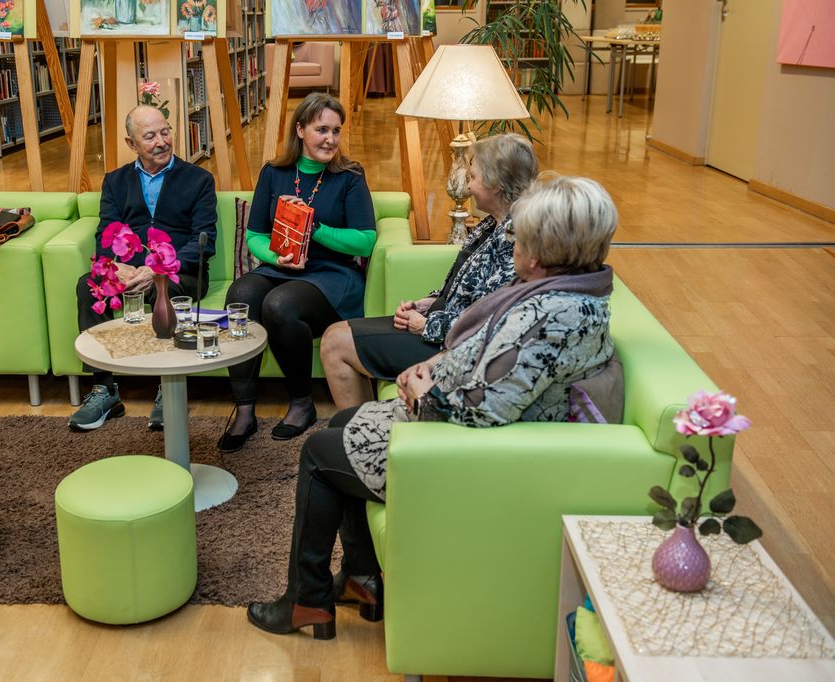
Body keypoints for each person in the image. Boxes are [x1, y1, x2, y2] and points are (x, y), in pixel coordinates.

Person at [246, 175, 622, 639]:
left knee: (319, 453)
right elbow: (493, 361)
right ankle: (361, 579)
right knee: (342, 422)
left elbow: (486, 411)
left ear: (541, 252)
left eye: (520, 238)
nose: (513, 245)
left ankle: (306, 600)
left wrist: (424, 391)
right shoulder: (567, 294)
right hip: (465, 431)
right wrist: (435, 365)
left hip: (465, 453)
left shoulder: (550, 316)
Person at [320, 133, 538, 410]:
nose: (468, 186)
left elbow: (489, 323)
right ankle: (360, 424)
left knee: (335, 342)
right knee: (337, 333)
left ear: (496, 184)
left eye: (473, 177)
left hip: (452, 346)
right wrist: (428, 302)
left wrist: (426, 325)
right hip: (439, 325)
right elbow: (464, 287)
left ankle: (355, 430)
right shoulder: (490, 225)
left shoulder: (517, 240)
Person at [218, 93, 376, 453]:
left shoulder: (349, 176)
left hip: (332, 274)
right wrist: (278, 257)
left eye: (336, 131)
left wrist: (313, 226)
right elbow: (255, 235)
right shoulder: (274, 173)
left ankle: (302, 402)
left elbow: (365, 241)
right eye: (322, 130)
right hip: (282, 267)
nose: (330, 139)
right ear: (300, 130)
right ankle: (244, 410)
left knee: (279, 303)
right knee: (240, 295)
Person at [69, 105, 217, 432]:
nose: (161, 141)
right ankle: (104, 388)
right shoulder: (116, 181)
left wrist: (156, 271)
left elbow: (204, 241)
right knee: (87, 285)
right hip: (129, 269)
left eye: (165, 132)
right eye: (150, 136)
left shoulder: (199, 180)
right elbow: (106, 233)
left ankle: (169, 387)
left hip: (180, 272)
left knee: (165, 289)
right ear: (131, 143)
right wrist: (117, 267)